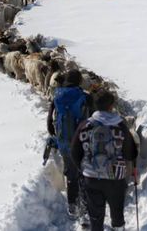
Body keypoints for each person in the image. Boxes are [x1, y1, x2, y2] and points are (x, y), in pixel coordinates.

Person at [72, 88, 138, 231]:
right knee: (117, 211)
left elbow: (75, 152)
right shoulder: (120, 126)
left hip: (91, 177)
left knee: (95, 215)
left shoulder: (85, 125)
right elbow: (130, 154)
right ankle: (118, 227)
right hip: (115, 178)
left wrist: (83, 168)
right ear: (111, 106)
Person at [47, 69, 93, 221]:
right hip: (81, 142)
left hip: (64, 142)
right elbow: (93, 119)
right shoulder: (85, 97)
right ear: (79, 81)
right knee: (84, 172)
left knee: (71, 173)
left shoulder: (57, 95)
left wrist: (56, 135)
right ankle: (85, 207)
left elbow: (50, 122)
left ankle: (72, 205)